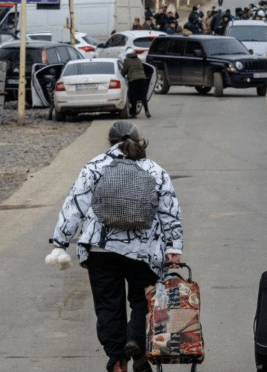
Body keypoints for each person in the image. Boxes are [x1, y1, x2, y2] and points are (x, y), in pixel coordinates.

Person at [48, 121, 183, 372]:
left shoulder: (95, 166)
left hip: (101, 250)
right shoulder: (155, 170)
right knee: (144, 301)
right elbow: (169, 211)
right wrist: (173, 247)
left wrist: (60, 242)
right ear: (137, 140)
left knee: (108, 305)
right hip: (144, 252)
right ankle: (137, 342)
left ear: (109, 142)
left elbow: (74, 205)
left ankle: (116, 359)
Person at [122, 48, 151, 119]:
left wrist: (122, 76)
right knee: (143, 96)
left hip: (133, 79)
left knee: (133, 97)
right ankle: (147, 111)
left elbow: (124, 71)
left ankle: (134, 114)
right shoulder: (138, 59)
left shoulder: (126, 60)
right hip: (142, 79)